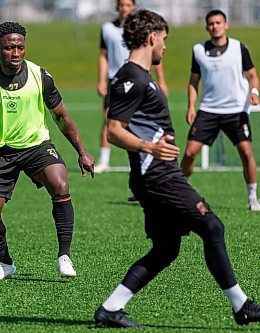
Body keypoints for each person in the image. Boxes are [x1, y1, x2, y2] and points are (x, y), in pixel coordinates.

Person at [93, 9, 260, 328]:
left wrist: (142, 176)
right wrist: (149, 150)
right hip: (159, 174)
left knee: (167, 248)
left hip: (153, 176)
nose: (165, 47)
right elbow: (114, 130)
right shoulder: (131, 76)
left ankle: (110, 309)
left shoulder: (143, 76)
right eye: (164, 40)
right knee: (212, 227)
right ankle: (242, 306)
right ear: (152, 37)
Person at [0, 22, 95, 281]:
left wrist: (82, 151)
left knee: (60, 184)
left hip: (37, 147)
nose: (16, 52)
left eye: (20, 47)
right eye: (9, 47)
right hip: (1, 152)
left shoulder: (39, 75)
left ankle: (64, 256)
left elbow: (61, 117)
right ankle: (5, 263)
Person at [180, 9, 260, 211]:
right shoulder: (198, 50)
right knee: (189, 153)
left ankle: (252, 197)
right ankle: (180, 192)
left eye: (218, 22)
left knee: (246, 152)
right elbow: (193, 82)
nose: (215, 26)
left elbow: (252, 75)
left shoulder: (238, 48)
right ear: (207, 27)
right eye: (211, 23)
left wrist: (255, 92)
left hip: (236, 111)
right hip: (209, 110)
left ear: (226, 25)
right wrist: (191, 106)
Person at [96, 0, 168, 174]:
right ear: (117, 7)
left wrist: (161, 81)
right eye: (121, 5)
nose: (124, 8)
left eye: (128, 5)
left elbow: (153, 54)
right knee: (109, 120)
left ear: (133, 6)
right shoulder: (107, 28)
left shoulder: (141, 28)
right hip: (117, 80)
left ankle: (139, 160)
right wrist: (101, 80)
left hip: (139, 80)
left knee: (138, 123)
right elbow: (103, 55)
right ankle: (104, 161)